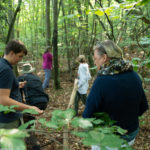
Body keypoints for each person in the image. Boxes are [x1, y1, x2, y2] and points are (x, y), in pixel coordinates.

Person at [82, 40, 148, 150]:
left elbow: (87, 116)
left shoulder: (102, 81)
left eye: (95, 58)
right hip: (131, 135)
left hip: (109, 139)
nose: (94, 62)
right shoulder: (134, 76)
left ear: (104, 58)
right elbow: (143, 107)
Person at [0, 40, 43, 150]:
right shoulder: (6, 70)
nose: (20, 60)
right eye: (19, 56)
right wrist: (29, 108)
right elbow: (3, 100)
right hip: (8, 120)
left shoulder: (2, 65)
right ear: (12, 53)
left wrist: (15, 85)